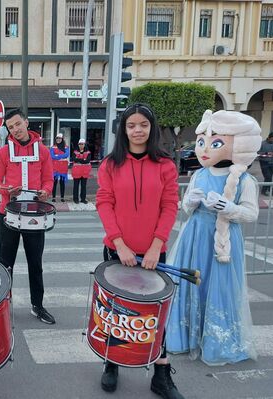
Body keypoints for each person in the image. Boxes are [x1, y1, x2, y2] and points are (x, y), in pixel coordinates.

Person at [95, 103, 181, 398]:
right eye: (131, 125)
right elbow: (104, 203)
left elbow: (170, 206)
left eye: (143, 124)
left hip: (154, 254)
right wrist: (119, 243)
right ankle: (111, 363)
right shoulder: (110, 164)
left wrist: (157, 246)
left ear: (151, 128)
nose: (137, 130)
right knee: (115, 313)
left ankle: (161, 375)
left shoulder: (166, 165)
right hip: (117, 251)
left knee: (155, 317)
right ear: (123, 129)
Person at [166, 110, 261, 366]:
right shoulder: (199, 174)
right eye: (201, 142)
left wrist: (227, 208)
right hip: (194, 238)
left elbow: (251, 213)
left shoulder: (244, 180)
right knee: (190, 286)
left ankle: (218, 342)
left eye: (215, 143)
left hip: (224, 242)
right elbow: (186, 209)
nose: (205, 149)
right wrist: (190, 201)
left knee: (220, 290)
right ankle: (185, 338)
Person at [0, 108, 56, 325]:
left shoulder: (44, 151)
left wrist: (46, 191)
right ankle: (3, 306)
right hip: (8, 215)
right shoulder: (2, 152)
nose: (16, 129)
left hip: (34, 215)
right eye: (11, 127)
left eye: (18, 124)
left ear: (26, 122)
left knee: (35, 264)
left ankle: (37, 305)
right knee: (5, 264)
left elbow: (48, 179)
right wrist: (7, 190)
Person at [71, 138, 92, 204]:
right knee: (76, 186)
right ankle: (75, 199)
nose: (81, 145)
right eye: (79, 144)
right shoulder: (75, 151)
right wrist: (83, 159)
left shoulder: (88, 152)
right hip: (76, 172)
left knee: (83, 186)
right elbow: (74, 159)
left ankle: (83, 199)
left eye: (82, 144)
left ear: (84, 144)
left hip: (84, 172)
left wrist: (79, 159)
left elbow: (87, 161)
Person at [50, 133, 69, 202]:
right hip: (54, 167)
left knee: (62, 182)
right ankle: (53, 197)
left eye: (59, 138)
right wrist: (60, 156)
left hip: (63, 167)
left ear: (62, 139)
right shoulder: (53, 147)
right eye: (57, 138)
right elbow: (52, 155)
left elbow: (66, 155)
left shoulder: (66, 147)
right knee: (54, 182)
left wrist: (57, 156)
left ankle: (62, 197)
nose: (58, 139)